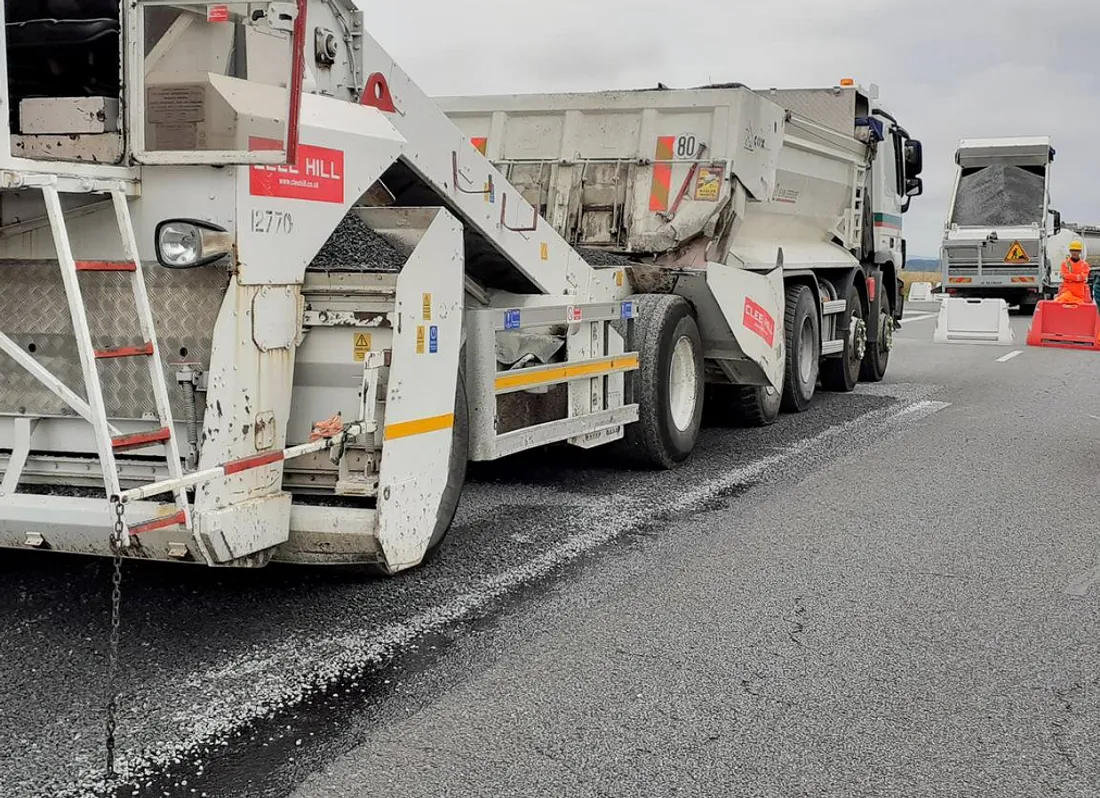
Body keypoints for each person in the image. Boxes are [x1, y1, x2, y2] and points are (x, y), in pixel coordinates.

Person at [1054, 240, 1090, 304]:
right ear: (1070, 251)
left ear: (1080, 252)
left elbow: (1083, 277)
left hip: (1079, 295)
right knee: (1058, 303)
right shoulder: (1065, 263)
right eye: (1072, 250)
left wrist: (1069, 276)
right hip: (1066, 292)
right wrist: (1077, 277)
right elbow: (1065, 276)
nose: (1074, 252)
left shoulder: (1085, 265)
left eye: (1076, 250)